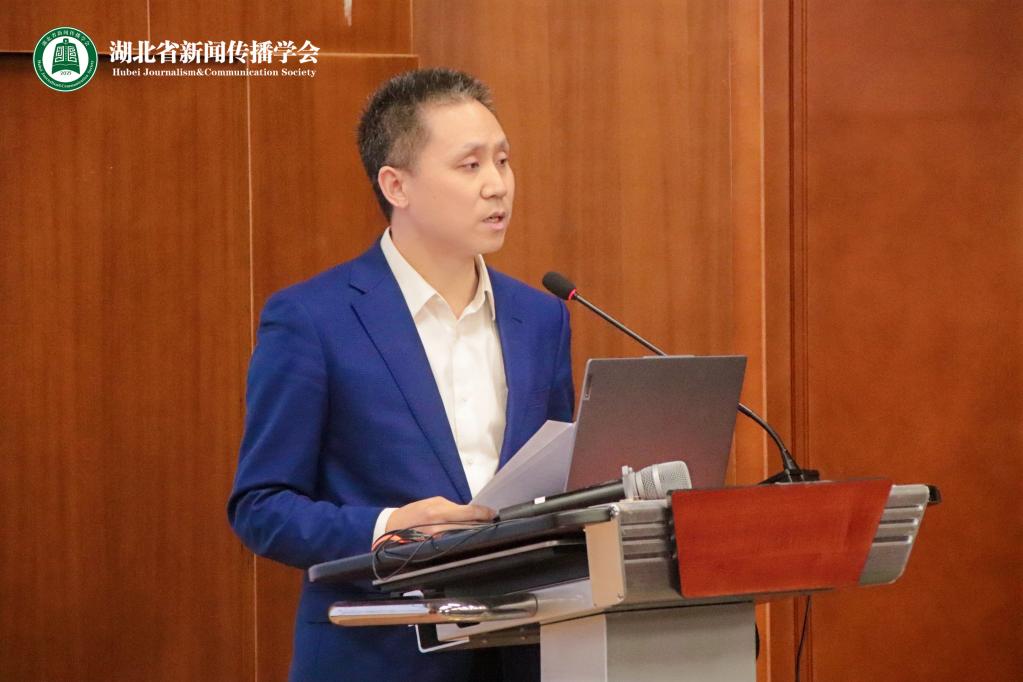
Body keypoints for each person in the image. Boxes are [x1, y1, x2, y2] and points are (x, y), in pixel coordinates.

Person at [228, 68, 574, 681]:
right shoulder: (313, 319)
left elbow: (559, 480)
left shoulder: (541, 317)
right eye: (470, 165)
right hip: (380, 656)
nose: (497, 185)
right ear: (397, 184)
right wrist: (388, 528)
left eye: (503, 160)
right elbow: (262, 507)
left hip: (521, 653)